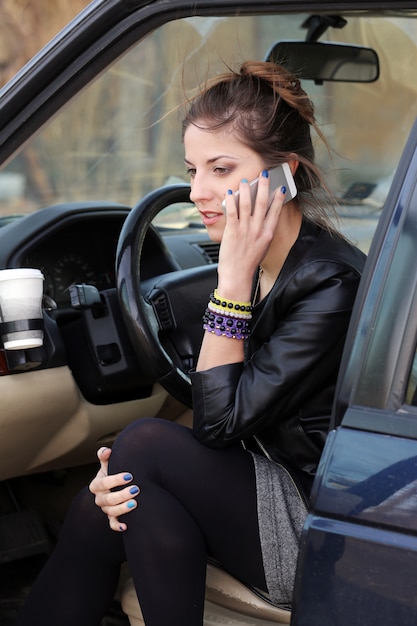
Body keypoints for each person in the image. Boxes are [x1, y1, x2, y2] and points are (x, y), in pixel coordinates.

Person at [17, 60, 366, 626]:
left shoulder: (329, 281)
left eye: (221, 169)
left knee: (143, 449)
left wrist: (229, 284)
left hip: (318, 520)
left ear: (285, 174)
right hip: (263, 475)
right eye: (192, 169)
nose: (197, 192)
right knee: (111, 498)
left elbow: (217, 425)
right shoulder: (259, 259)